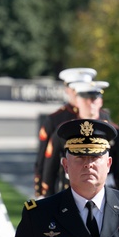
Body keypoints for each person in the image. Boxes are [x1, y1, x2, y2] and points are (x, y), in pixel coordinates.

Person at [34, 67, 96, 197]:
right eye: (74, 89)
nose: (78, 92)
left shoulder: (101, 116)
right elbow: (45, 158)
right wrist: (42, 189)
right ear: (67, 90)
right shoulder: (55, 119)